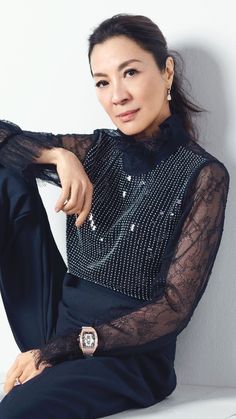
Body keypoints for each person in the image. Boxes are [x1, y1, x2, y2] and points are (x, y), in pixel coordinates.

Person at [0, 13, 230, 419]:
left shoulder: (203, 175)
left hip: (128, 356)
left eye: (130, 72)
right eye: (103, 82)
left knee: (16, 411)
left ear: (167, 71)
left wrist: (61, 351)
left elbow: (174, 307)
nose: (117, 95)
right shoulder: (96, 150)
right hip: (58, 319)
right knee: (6, 173)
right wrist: (59, 155)